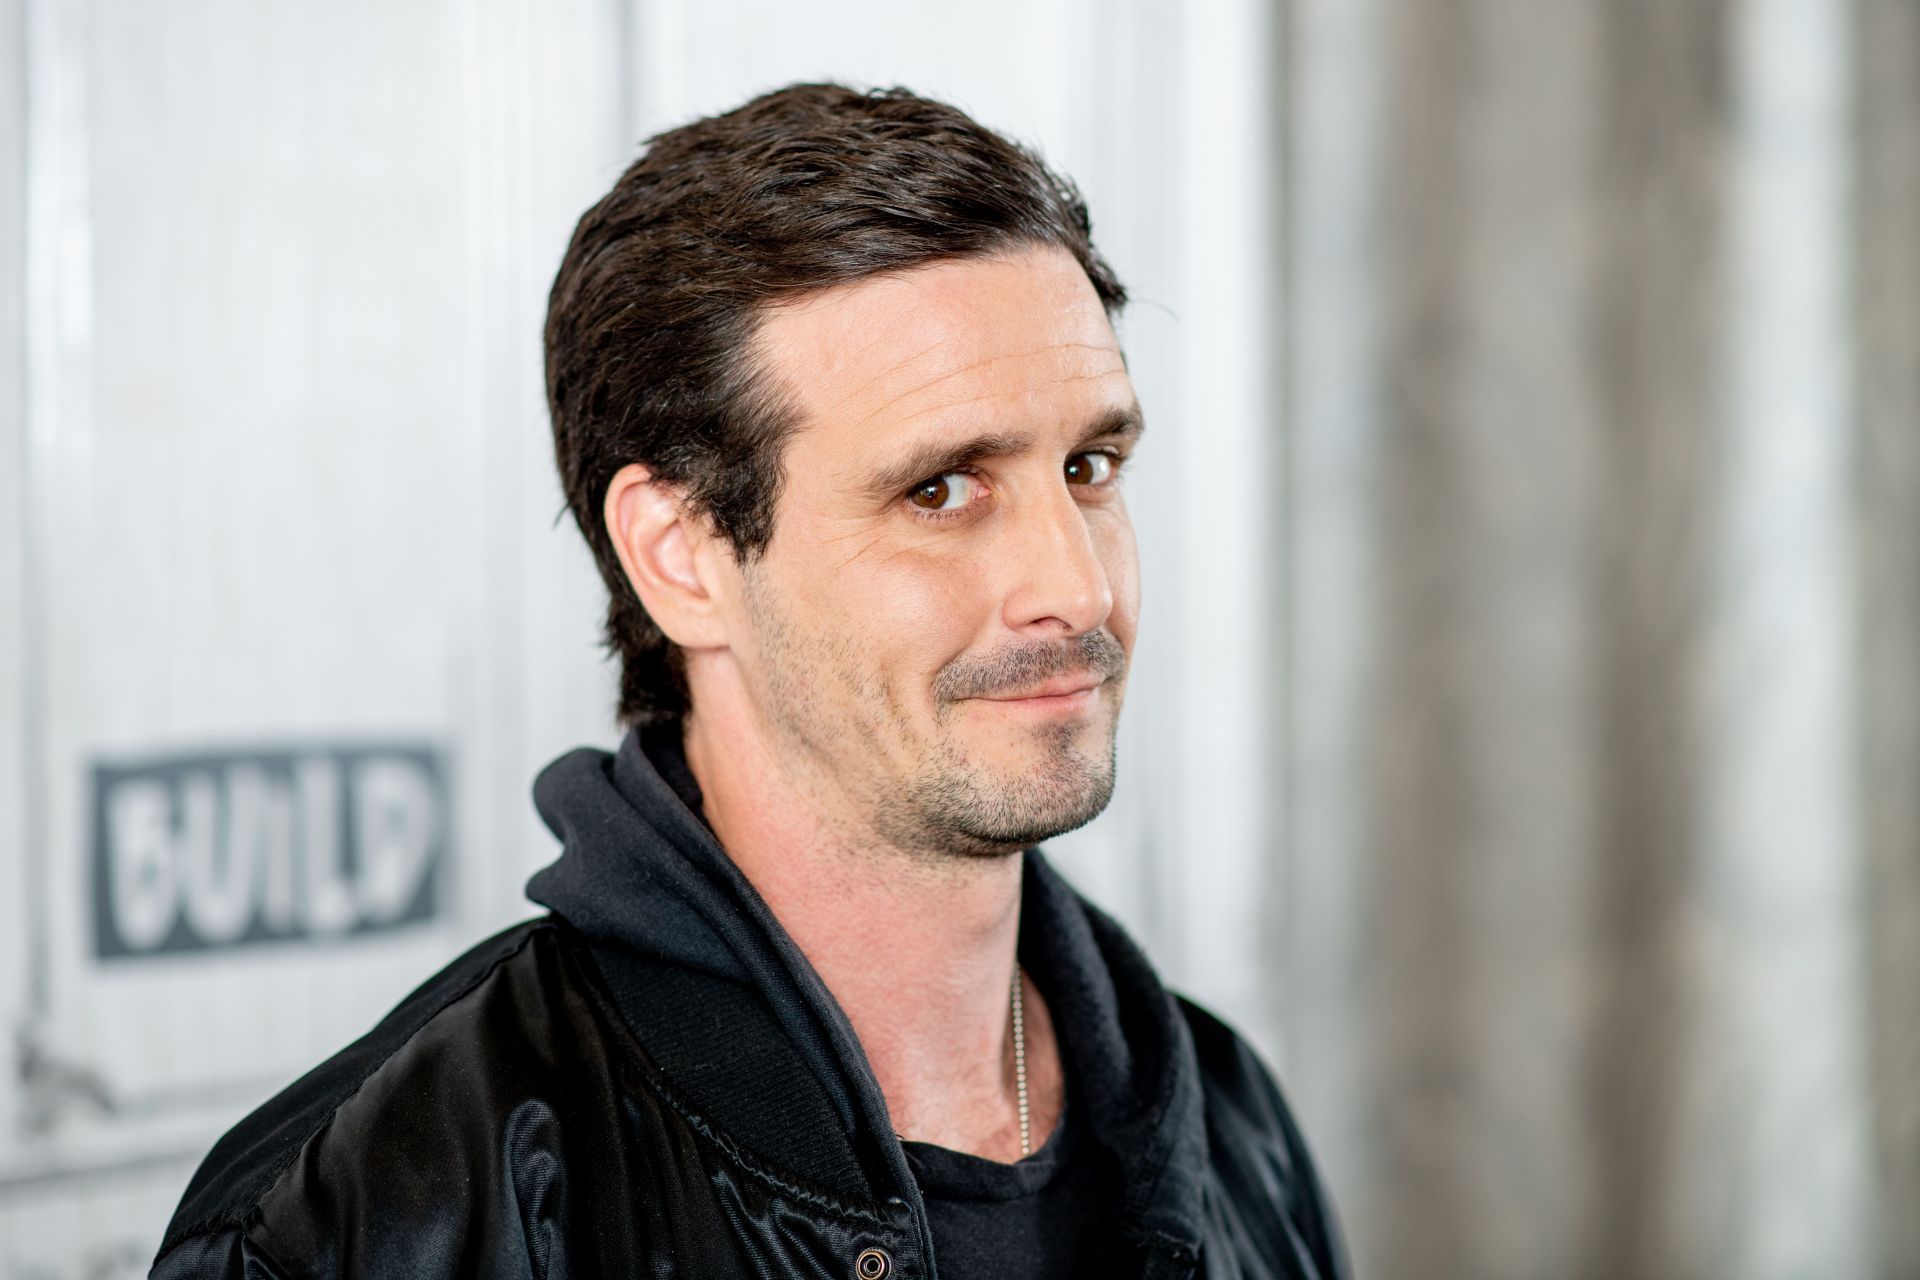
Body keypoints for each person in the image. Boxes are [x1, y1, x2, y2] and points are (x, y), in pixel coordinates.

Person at [150, 82, 1348, 1279]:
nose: (1077, 588)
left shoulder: (1230, 1123)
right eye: (940, 489)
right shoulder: (372, 1212)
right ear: (681, 556)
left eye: (1090, 465)